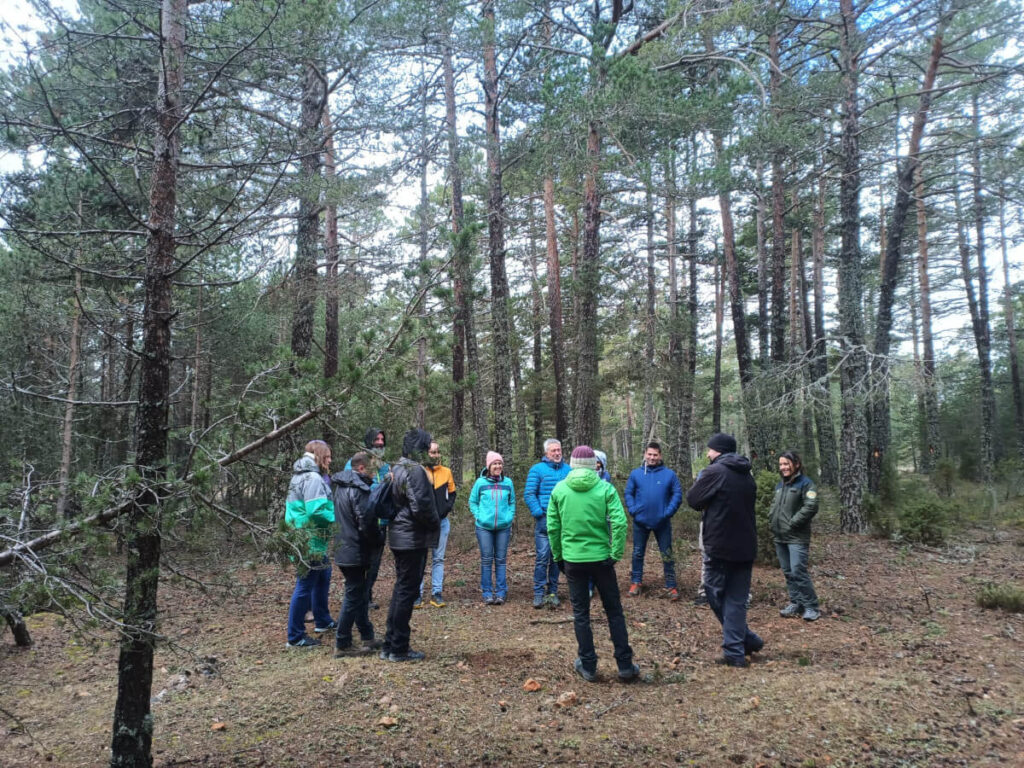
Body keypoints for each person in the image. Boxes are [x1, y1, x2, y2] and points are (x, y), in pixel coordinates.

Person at [548, 445, 638, 683]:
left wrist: (558, 556)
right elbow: (619, 523)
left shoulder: (560, 490)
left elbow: (553, 527)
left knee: (581, 614)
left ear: (572, 465)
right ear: (592, 465)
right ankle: (625, 665)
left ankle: (588, 665)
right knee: (614, 611)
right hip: (601, 559)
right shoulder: (605, 488)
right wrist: (615, 553)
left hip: (573, 559)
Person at [685, 432, 763, 668]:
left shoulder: (714, 472)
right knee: (736, 599)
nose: (708, 453)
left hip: (720, 546)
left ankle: (742, 641)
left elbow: (693, 499)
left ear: (717, 450)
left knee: (714, 593)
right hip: (746, 546)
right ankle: (738, 649)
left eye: (709, 449)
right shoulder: (747, 473)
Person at [380, 428, 441, 662]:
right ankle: (398, 648)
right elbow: (421, 506)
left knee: (401, 590)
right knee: (406, 592)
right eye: (427, 445)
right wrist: (434, 523)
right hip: (411, 539)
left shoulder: (397, 467)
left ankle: (390, 644)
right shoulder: (413, 470)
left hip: (401, 535)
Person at [331, 451, 384, 656]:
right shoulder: (359, 490)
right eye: (372, 469)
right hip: (354, 549)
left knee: (360, 593)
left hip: (344, 548)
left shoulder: (342, 487)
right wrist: (378, 539)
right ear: (361, 468)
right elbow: (366, 522)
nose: (374, 473)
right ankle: (342, 642)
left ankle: (367, 635)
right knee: (354, 595)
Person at [285, 440, 336, 648]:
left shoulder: (300, 475)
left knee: (323, 574)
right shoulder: (313, 477)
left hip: (305, 537)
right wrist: (336, 517)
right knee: (305, 586)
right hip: (309, 540)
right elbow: (315, 510)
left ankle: (322, 620)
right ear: (319, 456)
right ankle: (295, 636)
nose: (330, 460)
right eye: (327, 456)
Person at [624, 441, 683, 600]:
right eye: (649, 454)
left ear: (660, 456)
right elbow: (628, 493)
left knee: (667, 554)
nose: (652, 457)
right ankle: (636, 582)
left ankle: (671, 585)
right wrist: (633, 510)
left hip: (662, 522)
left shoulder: (669, 474)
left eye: (655, 455)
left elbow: (677, 494)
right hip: (640, 521)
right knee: (637, 553)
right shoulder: (636, 474)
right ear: (645, 454)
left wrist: (668, 512)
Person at [770, 450, 821, 622]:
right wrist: (772, 520)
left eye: (786, 464)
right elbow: (775, 507)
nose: (783, 467)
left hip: (797, 537)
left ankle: (811, 606)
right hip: (779, 536)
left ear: (796, 464)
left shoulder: (806, 484)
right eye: (781, 464)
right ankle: (796, 603)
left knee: (798, 571)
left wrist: (793, 523)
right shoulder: (780, 485)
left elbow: (811, 506)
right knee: (788, 572)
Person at [345, 428, 390, 610]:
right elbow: (350, 490)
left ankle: (367, 596)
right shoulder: (355, 463)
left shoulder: (385, 466)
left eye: (382, 439)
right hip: (361, 523)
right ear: (368, 442)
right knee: (360, 563)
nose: (380, 442)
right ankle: (357, 597)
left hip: (380, 523)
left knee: (374, 564)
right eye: (376, 439)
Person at [524, 438, 571, 608]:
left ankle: (553, 592)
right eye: (553, 451)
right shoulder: (537, 469)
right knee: (542, 557)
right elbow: (529, 493)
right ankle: (538, 593)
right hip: (544, 520)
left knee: (557, 558)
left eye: (559, 450)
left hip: (563, 521)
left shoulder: (569, 470)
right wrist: (538, 512)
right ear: (546, 453)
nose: (557, 453)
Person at [469, 451, 515, 605]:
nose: (498, 466)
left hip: (503, 527)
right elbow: (473, 501)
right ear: (488, 466)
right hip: (484, 527)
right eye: (495, 463)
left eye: (500, 463)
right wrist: (479, 516)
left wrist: (509, 516)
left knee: (501, 560)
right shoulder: (480, 483)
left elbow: (512, 502)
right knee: (486, 560)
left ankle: (501, 592)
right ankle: (487, 592)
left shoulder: (508, 482)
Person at [416, 441, 457, 608]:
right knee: (420, 559)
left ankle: (437, 593)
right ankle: (417, 594)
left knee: (438, 558)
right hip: (422, 524)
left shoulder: (446, 472)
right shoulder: (419, 472)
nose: (435, 455)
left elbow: (452, 494)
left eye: (437, 452)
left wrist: (445, 509)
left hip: (442, 522)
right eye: (432, 452)